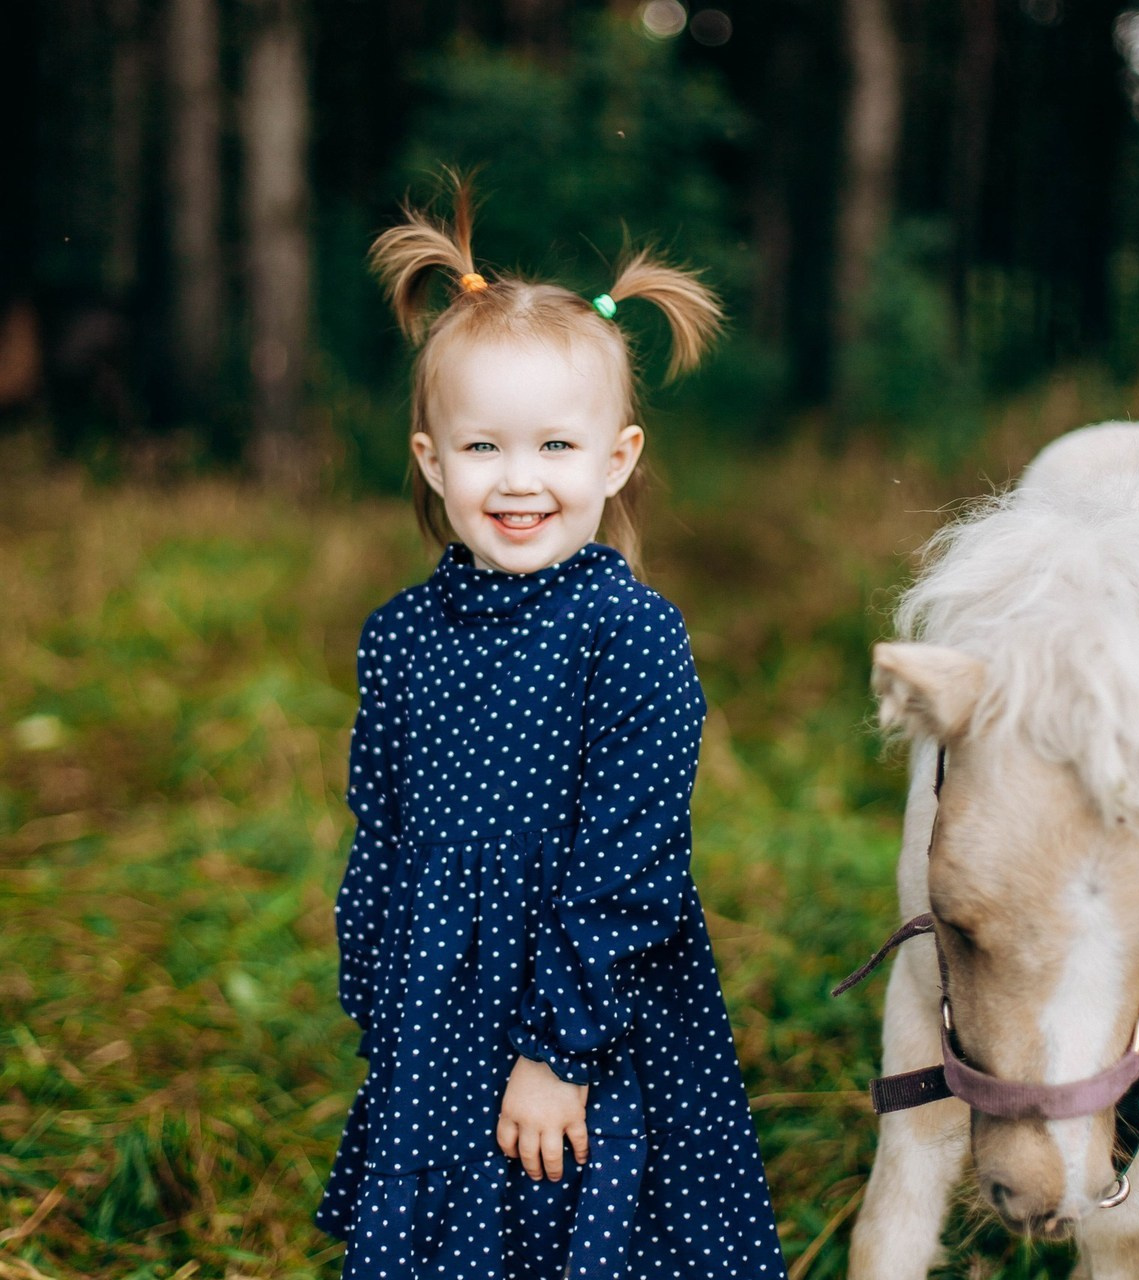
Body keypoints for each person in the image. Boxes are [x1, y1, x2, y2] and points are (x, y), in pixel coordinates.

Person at [315, 188, 789, 1280]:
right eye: (483, 445)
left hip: (586, 1010)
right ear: (432, 460)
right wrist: (382, 996)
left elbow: (632, 867)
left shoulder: (626, 633)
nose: (519, 479)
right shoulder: (400, 637)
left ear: (614, 459)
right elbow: (378, 826)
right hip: (438, 1000)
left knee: (575, 1217)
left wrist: (556, 1051)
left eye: (554, 445)